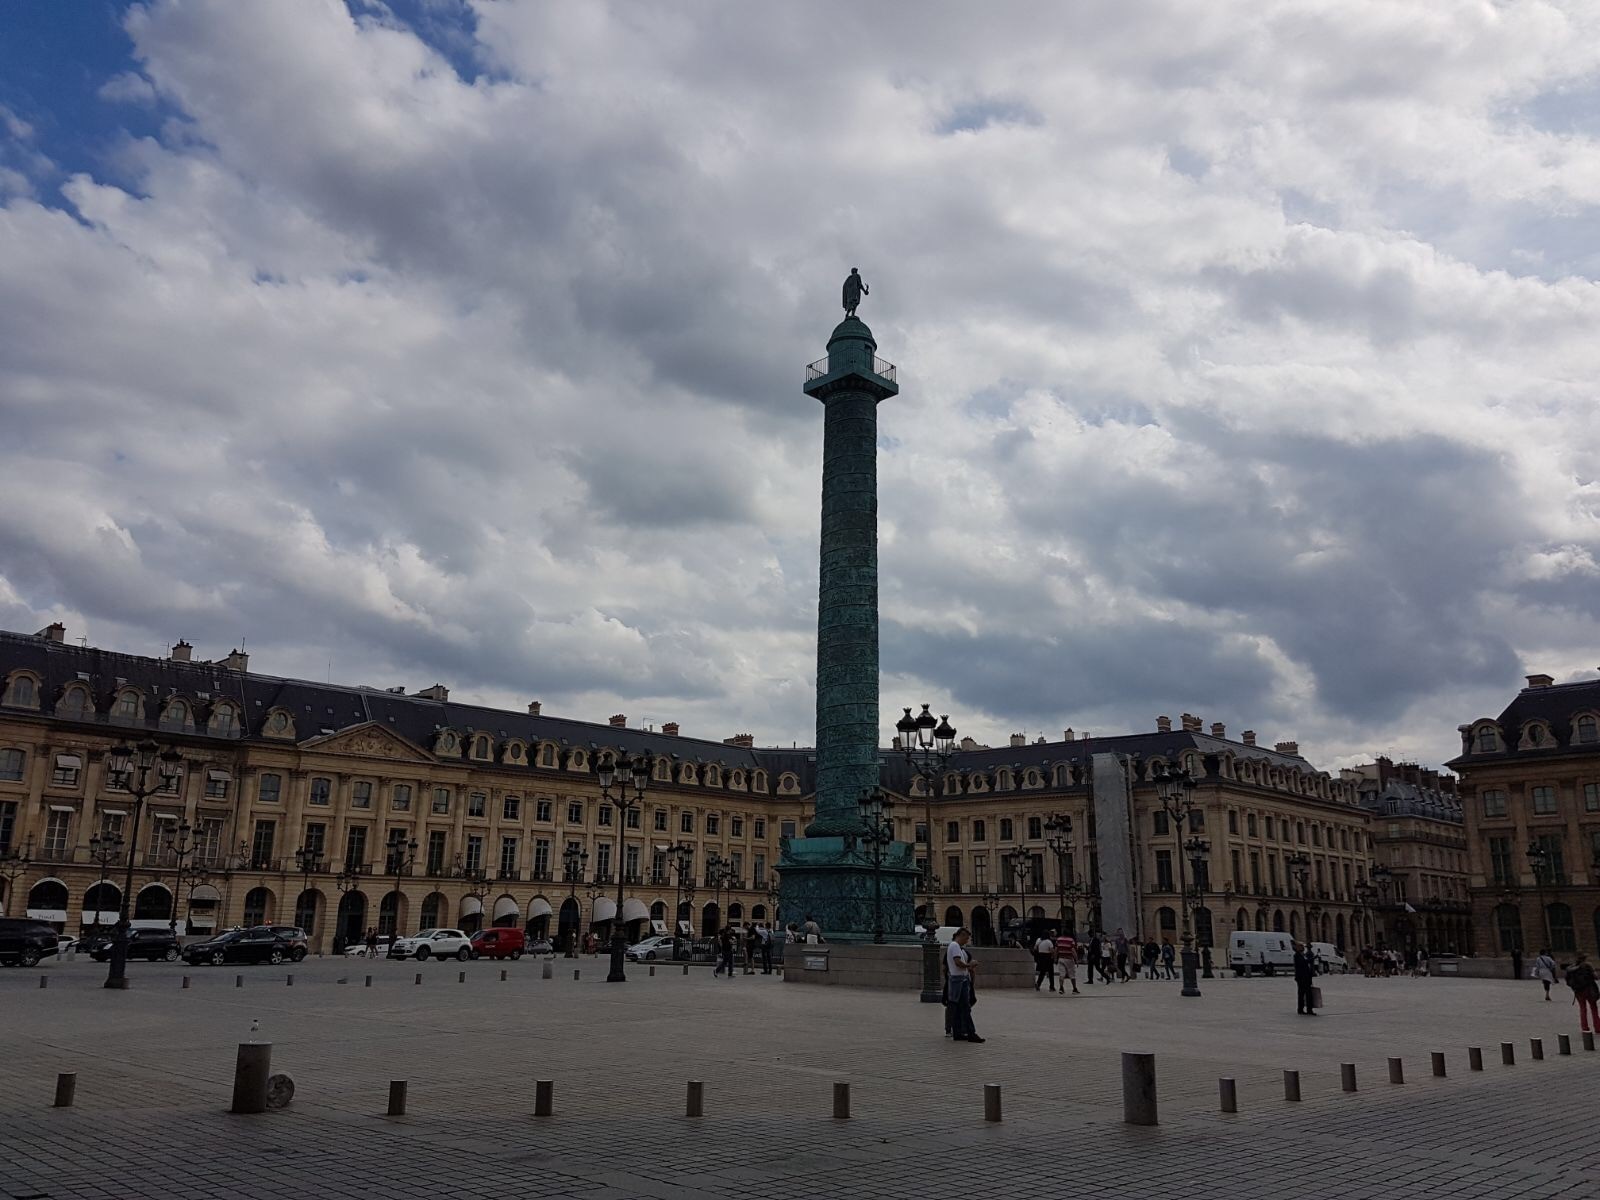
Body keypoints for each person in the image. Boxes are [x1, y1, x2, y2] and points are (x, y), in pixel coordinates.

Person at [944, 928, 984, 1043]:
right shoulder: (955, 946)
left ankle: (958, 1033)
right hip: (959, 979)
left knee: (957, 1006)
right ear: (961, 935)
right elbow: (957, 962)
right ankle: (971, 1032)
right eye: (966, 938)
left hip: (957, 978)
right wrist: (969, 966)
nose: (966, 941)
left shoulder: (956, 947)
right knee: (965, 1007)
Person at [1564, 953, 1600, 1033]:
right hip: (1589, 989)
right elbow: (1596, 977)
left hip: (1578, 991)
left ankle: (1584, 1027)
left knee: (1582, 1008)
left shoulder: (1571, 968)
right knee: (1594, 1008)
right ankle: (1597, 1027)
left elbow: (1567, 981)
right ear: (1585, 958)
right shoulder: (1587, 966)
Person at [1294, 940, 1318, 1015]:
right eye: (1301, 947)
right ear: (1297, 948)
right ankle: (1300, 1009)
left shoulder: (1303, 955)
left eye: (1303, 947)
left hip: (1307, 977)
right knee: (1302, 994)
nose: (1303, 948)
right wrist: (1313, 958)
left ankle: (1309, 1009)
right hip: (1301, 978)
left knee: (1308, 994)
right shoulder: (1297, 955)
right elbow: (1303, 963)